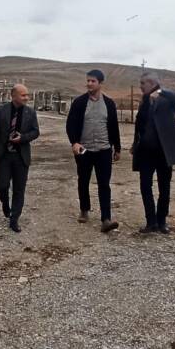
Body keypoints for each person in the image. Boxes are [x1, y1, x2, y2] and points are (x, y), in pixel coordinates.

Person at [131, 71, 175, 234]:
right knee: (145, 186)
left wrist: (162, 92)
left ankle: (162, 221)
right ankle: (151, 222)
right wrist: (135, 144)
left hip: (164, 152)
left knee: (164, 187)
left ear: (151, 83)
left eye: (142, 83)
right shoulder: (144, 101)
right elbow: (140, 125)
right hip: (145, 153)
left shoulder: (166, 99)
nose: (140, 86)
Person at [65, 69, 121, 232]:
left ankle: (106, 219)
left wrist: (117, 148)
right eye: (88, 81)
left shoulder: (109, 103)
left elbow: (114, 127)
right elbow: (70, 124)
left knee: (104, 184)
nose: (89, 83)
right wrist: (74, 142)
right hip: (84, 149)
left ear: (100, 83)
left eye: (93, 81)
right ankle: (84, 210)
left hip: (104, 150)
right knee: (83, 180)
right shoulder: (79, 102)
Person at [0, 84, 40, 232]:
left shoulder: (30, 112)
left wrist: (23, 138)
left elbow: (35, 132)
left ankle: (14, 219)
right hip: (4, 155)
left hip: (21, 157)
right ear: (14, 96)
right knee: (2, 185)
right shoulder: (1, 110)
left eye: (27, 95)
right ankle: (5, 203)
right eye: (23, 95)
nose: (27, 98)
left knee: (19, 189)